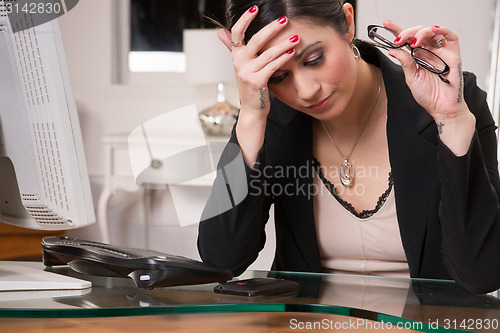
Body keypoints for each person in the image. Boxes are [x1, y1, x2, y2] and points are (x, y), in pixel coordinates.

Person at [197, 0, 500, 294]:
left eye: (314, 59)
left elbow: (482, 274)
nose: (306, 91)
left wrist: (451, 120)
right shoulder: (269, 122)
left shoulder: (452, 101)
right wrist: (250, 119)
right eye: (278, 75)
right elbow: (223, 259)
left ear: (347, 23)